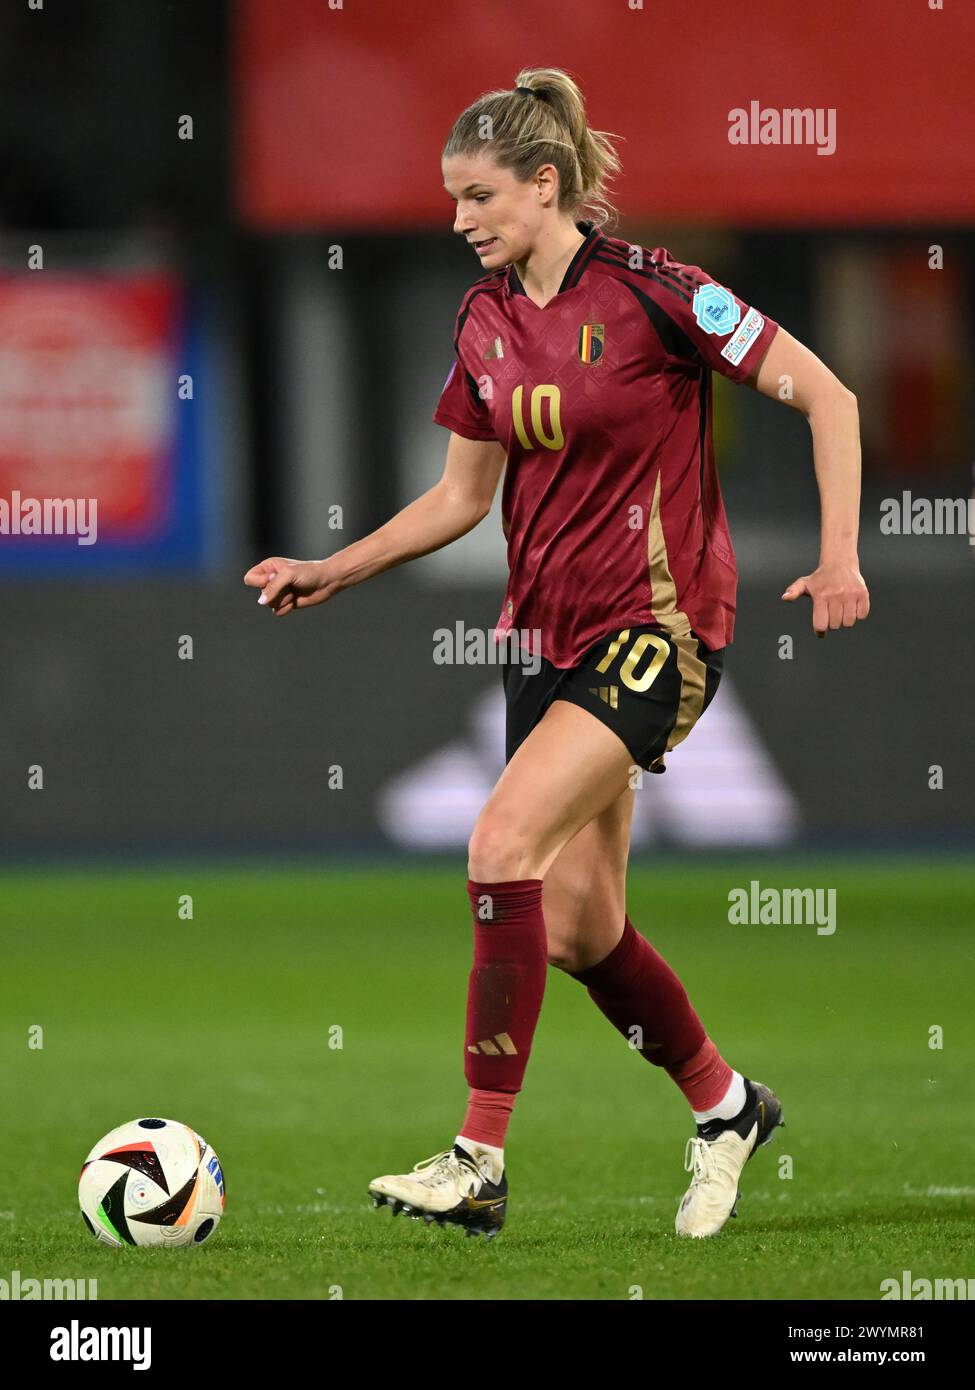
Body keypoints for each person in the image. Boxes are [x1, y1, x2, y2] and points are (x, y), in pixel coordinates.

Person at [244, 67, 869, 1241]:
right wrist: (337, 565)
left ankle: (479, 1155)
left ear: (546, 184)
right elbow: (457, 500)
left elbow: (828, 397)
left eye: (477, 195)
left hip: (657, 633)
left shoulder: (659, 293)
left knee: (499, 842)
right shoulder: (482, 320)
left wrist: (839, 557)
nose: (459, 219)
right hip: (543, 639)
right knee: (581, 928)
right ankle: (727, 1106)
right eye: (450, 199)